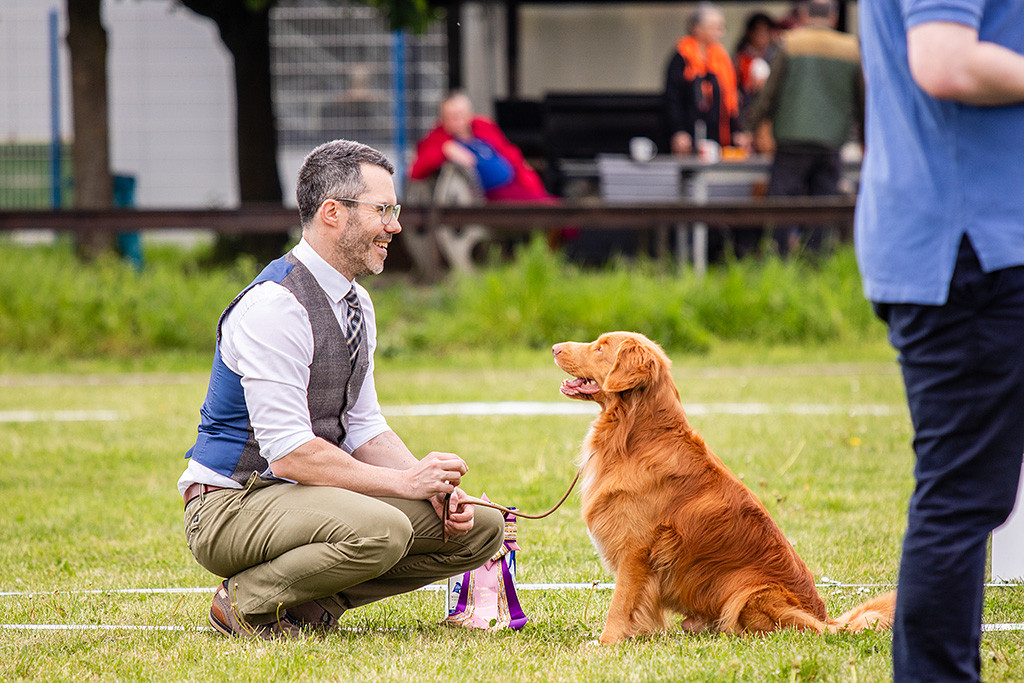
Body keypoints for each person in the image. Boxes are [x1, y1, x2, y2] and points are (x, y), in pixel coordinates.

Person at [179, 139, 505, 639]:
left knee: (479, 527)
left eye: (394, 210)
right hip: (229, 507)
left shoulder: (357, 303)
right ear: (333, 213)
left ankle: (309, 607)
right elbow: (290, 454)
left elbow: (364, 426)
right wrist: (406, 484)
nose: (394, 225)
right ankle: (243, 602)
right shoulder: (275, 305)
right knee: (384, 530)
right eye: (383, 210)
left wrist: (436, 489)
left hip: (301, 497)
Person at [857, 3, 1024, 681]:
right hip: (972, 249)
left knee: (965, 492)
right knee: (962, 496)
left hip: (972, 243)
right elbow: (945, 61)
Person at [744, 0, 863, 255]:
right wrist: (866, 139)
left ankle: (779, 258)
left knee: (783, 204)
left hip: (792, 139)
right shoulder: (851, 48)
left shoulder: (789, 43)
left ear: (803, 15)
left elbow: (769, 94)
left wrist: (750, 128)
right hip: (830, 141)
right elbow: (862, 99)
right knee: (824, 205)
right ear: (833, 17)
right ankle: (816, 260)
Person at [409, 90, 555, 203]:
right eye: (451, 116)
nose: (457, 120)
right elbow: (416, 171)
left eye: (460, 114)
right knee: (552, 210)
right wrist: (444, 150)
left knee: (554, 206)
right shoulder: (439, 139)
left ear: (469, 114)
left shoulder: (483, 127)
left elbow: (510, 153)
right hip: (489, 197)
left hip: (515, 185)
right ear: (443, 119)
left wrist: (529, 179)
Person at [664, 3, 751, 156]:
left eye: (722, 27)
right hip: (690, 137)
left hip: (719, 136)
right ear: (697, 28)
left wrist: (737, 130)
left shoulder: (721, 58)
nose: (721, 32)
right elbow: (673, 98)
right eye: (715, 27)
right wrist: (678, 131)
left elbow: (730, 99)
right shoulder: (682, 56)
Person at [733, 12, 778, 118]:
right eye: (759, 31)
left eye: (766, 31)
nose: (762, 35)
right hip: (747, 109)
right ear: (750, 33)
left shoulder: (775, 57)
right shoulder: (741, 58)